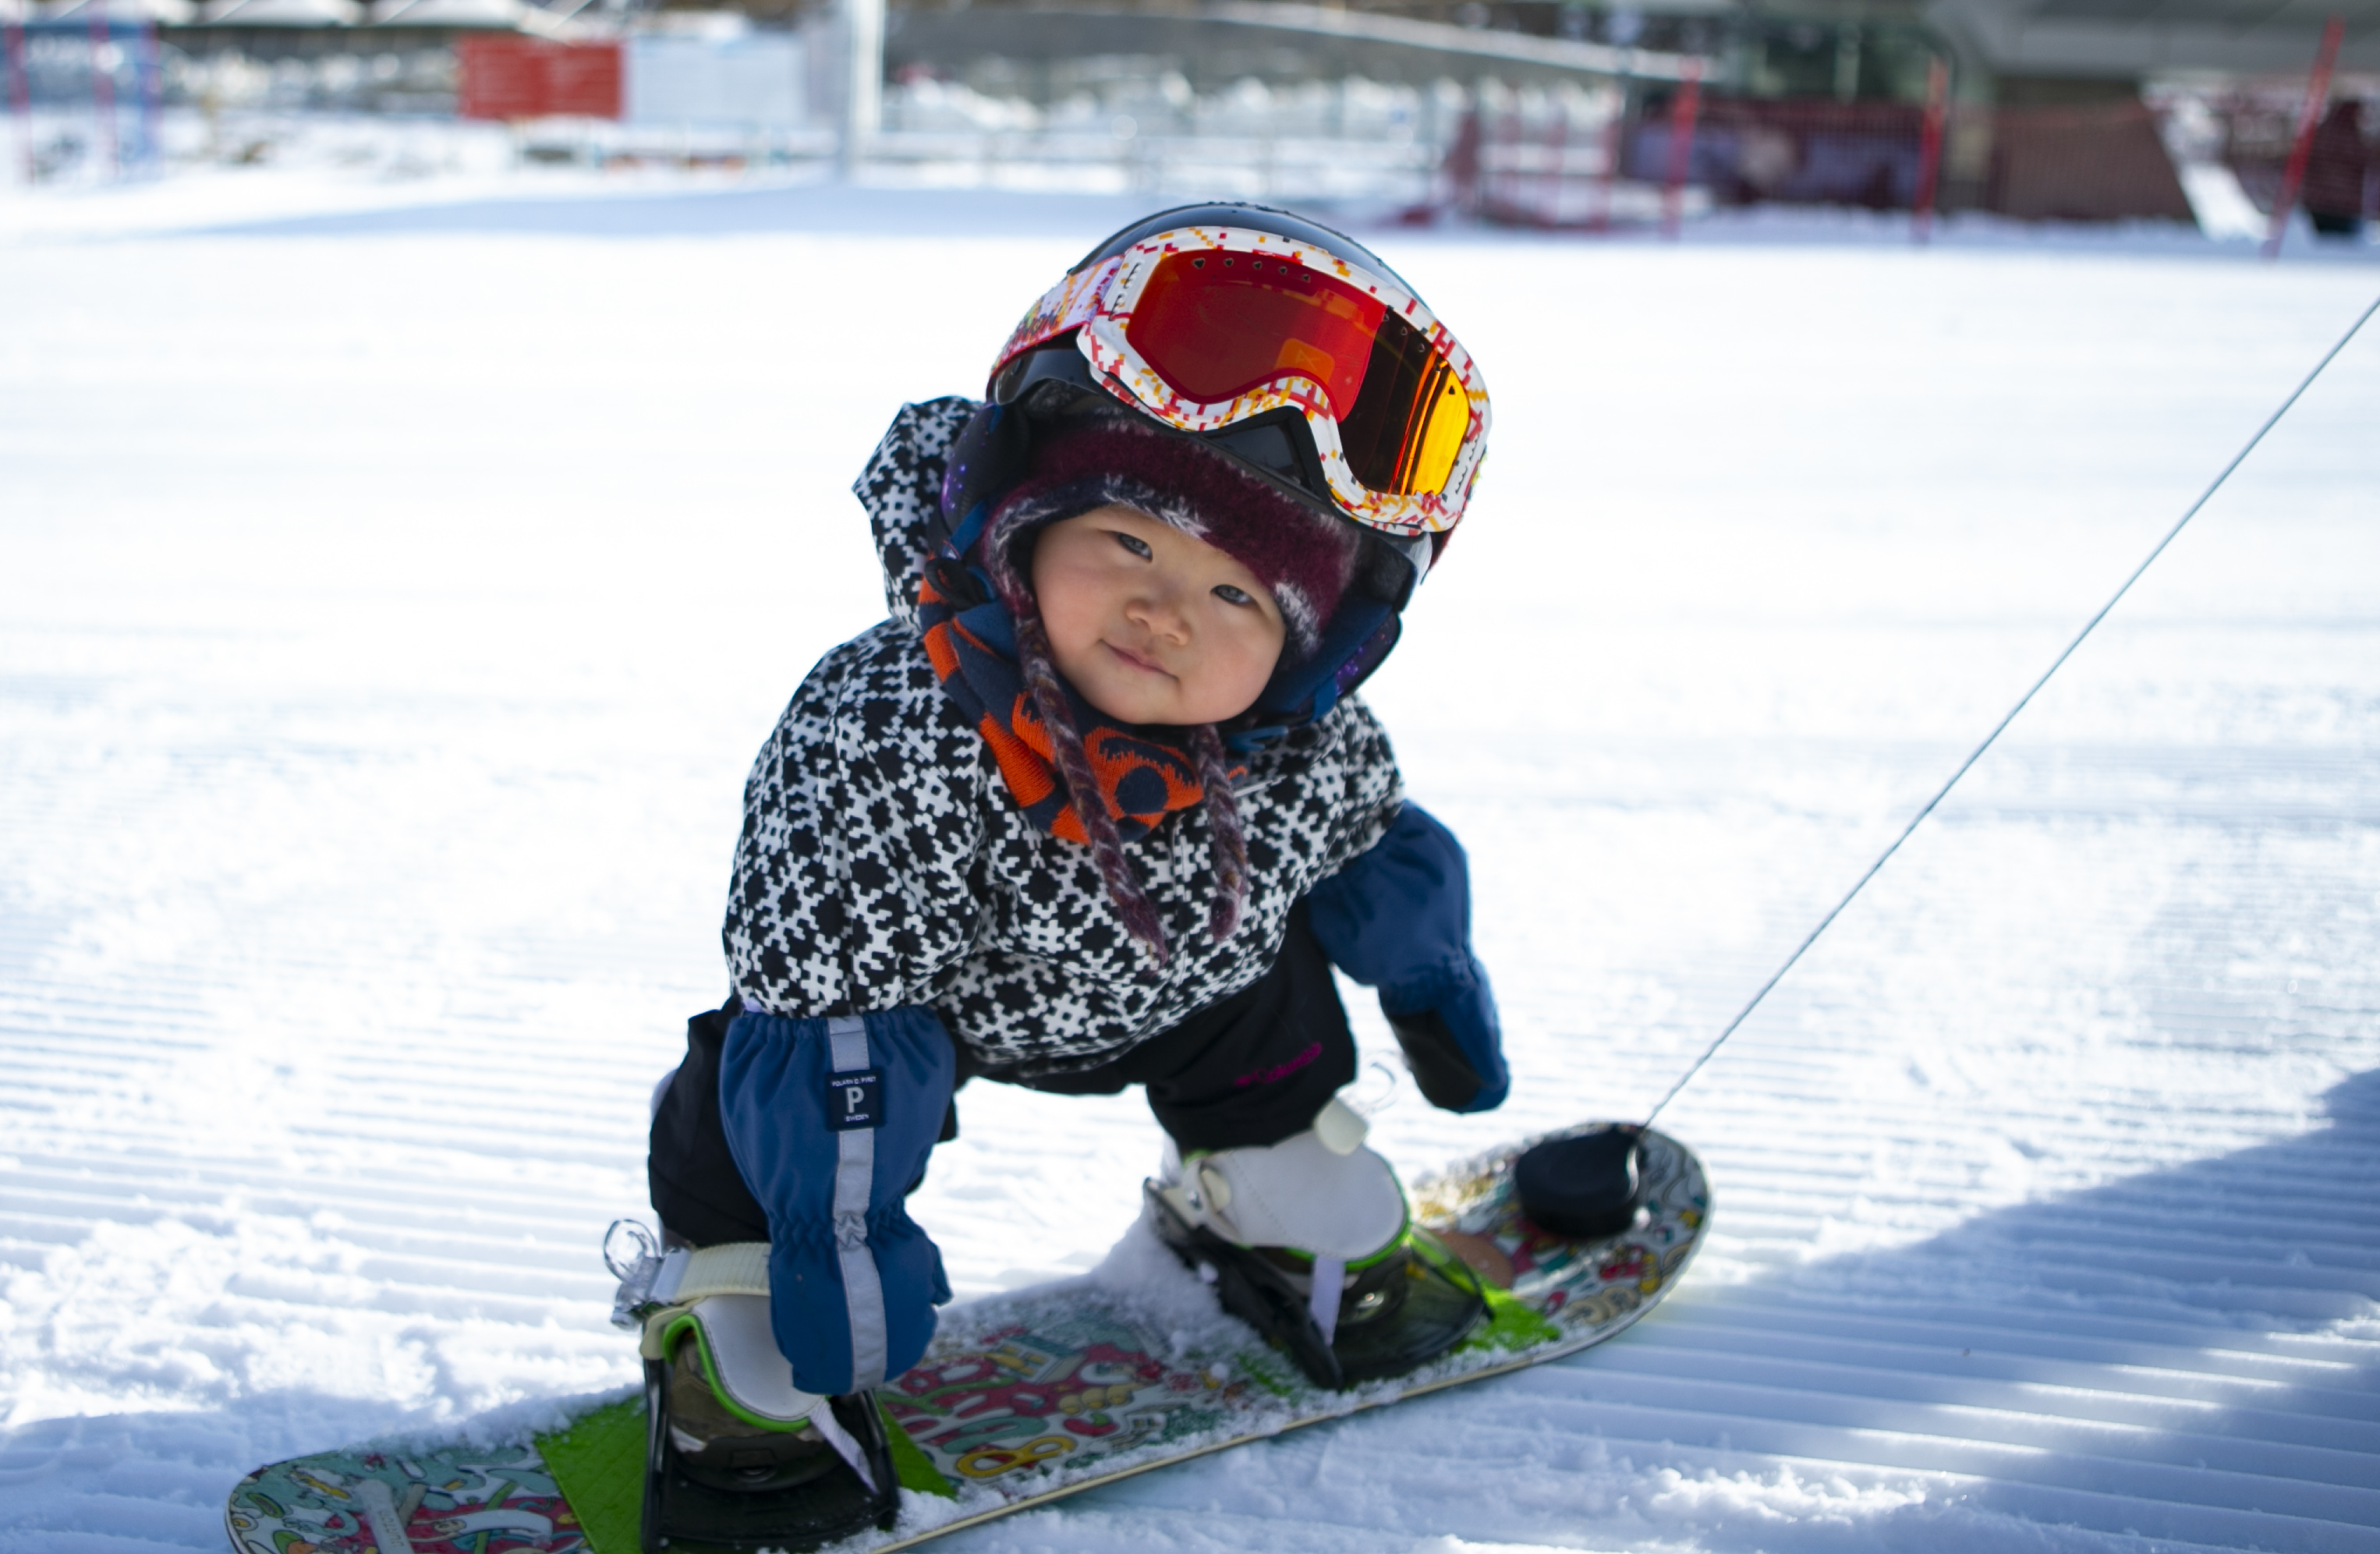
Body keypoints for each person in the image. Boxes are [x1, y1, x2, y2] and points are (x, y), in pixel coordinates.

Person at [629, 204, 1505, 1537]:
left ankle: (1260, 1176)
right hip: (924, 1019)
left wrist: (1428, 969)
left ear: (1316, 651)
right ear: (1017, 520)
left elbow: (1371, 849)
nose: (1166, 610)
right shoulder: (892, 729)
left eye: (1237, 598)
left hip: (1187, 993)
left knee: (1272, 987)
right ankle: (741, 1288)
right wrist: (835, 1230)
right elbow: (835, 1015)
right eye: (1132, 543)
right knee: (763, 1090)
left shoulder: (1291, 747)